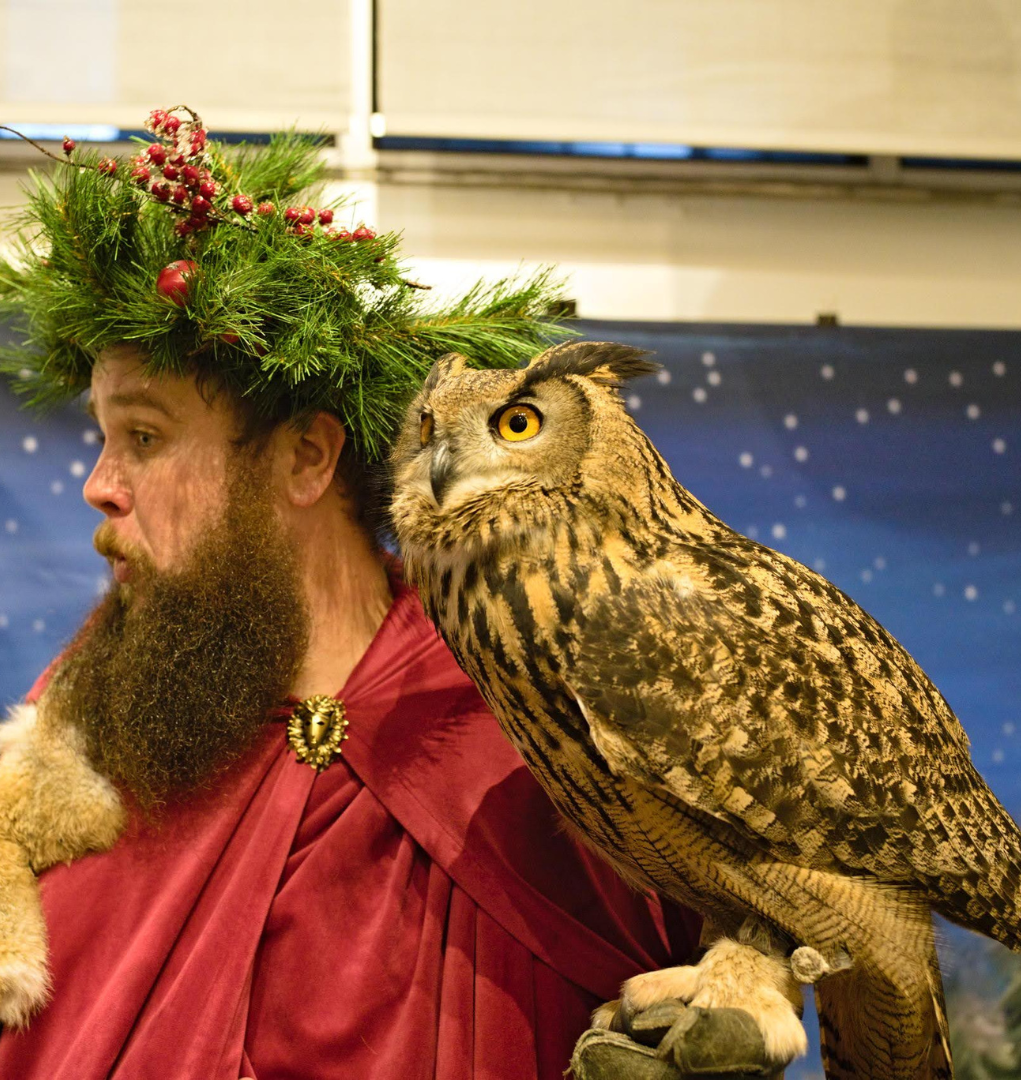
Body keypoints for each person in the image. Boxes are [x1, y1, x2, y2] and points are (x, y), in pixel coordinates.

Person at [0, 109, 706, 1078]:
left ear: (305, 457)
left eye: (146, 438)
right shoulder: (90, 728)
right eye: (104, 437)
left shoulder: (530, 720)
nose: (100, 484)